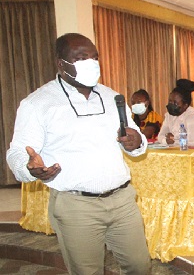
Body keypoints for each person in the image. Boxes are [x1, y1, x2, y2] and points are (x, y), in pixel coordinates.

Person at [6, 33, 150, 274]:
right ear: (61, 64)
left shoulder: (111, 96)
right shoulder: (38, 103)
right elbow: (18, 153)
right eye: (82, 58)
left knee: (140, 266)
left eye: (94, 57)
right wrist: (30, 168)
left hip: (122, 201)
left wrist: (137, 142)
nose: (92, 63)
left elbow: (135, 142)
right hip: (76, 205)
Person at [157, 79, 194, 146]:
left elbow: (192, 142)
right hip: (178, 151)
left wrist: (173, 142)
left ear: (185, 105)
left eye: (175, 103)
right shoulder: (169, 115)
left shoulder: (192, 116)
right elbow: (160, 136)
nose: (171, 104)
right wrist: (166, 141)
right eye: (170, 101)